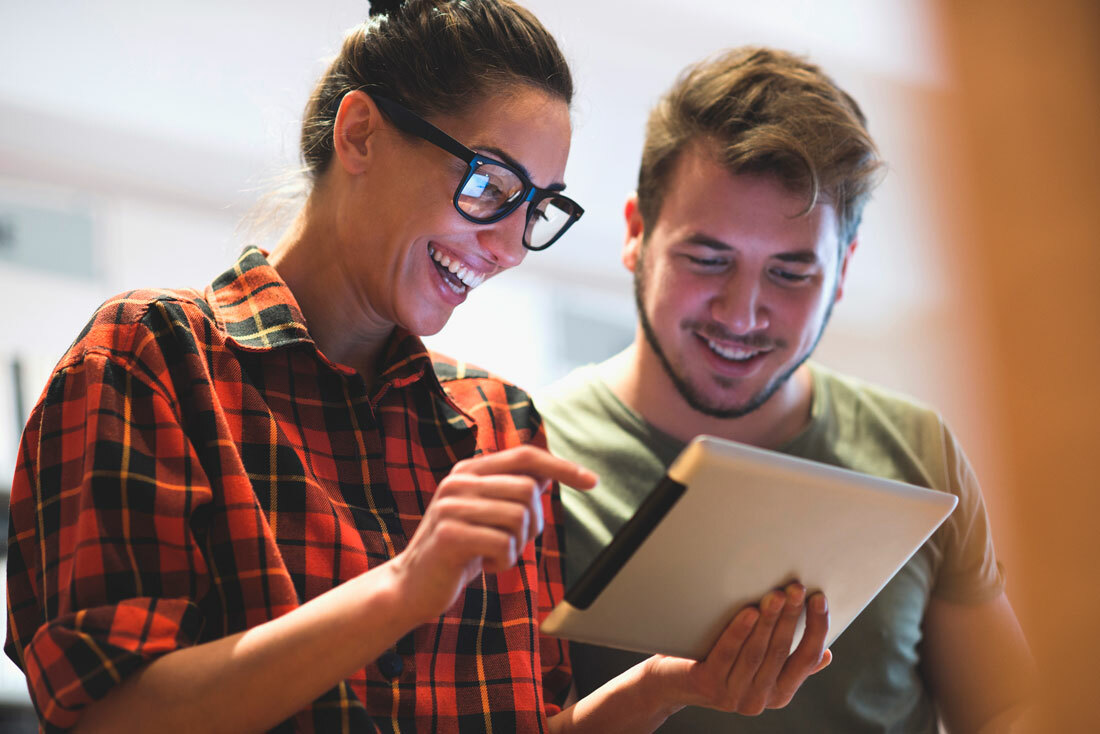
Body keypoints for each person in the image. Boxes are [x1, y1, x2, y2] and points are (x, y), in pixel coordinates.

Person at [3, 6, 832, 733]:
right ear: (360, 133)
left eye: (536, 208)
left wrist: (661, 688)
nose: (508, 248)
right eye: (490, 184)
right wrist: (401, 588)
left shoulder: (500, 421)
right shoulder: (153, 358)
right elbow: (109, 717)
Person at [537, 46, 1035, 733]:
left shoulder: (917, 450)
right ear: (635, 234)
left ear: (843, 269)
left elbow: (1009, 707)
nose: (741, 314)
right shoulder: (529, 454)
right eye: (707, 259)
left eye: (791, 273)